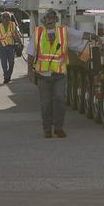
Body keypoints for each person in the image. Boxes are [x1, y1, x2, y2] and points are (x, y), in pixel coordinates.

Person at [29, 9, 69, 138]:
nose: (51, 20)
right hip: (43, 75)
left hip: (59, 74)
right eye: (48, 18)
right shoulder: (38, 33)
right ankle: (47, 129)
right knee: (46, 104)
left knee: (60, 100)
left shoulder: (63, 31)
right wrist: (30, 71)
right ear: (44, 20)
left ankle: (58, 128)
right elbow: (31, 53)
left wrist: (94, 36)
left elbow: (79, 35)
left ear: (56, 20)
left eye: (53, 18)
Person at [0, 12, 22, 85]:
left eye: (8, 17)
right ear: (2, 18)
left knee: (11, 62)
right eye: (5, 17)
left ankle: (8, 74)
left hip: (11, 46)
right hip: (3, 46)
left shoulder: (13, 24)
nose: (7, 19)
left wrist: (19, 42)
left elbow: (16, 34)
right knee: (3, 63)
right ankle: (6, 76)